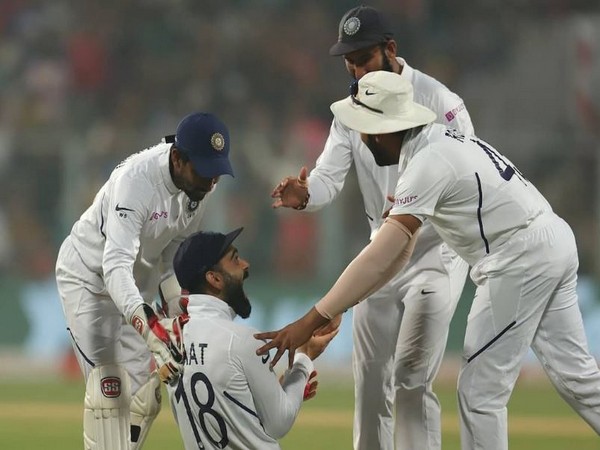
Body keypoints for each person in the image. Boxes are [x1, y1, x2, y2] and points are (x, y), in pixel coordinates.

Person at [257, 71, 600, 450]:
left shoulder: (426, 163)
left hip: (518, 260)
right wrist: (342, 304)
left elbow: (385, 253)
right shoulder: (434, 144)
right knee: (578, 377)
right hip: (551, 241)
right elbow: (399, 251)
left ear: (384, 128)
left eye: (365, 128)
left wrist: (312, 318)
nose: (362, 137)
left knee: (479, 391)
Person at [270, 5, 473, 450]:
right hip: (380, 254)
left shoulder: (441, 104)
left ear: (391, 49)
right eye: (350, 62)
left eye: (364, 59)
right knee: (370, 379)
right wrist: (305, 195)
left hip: (435, 256)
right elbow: (326, 177)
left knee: (411, 379)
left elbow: (466, 179)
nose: (358, 71)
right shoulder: (350, 109)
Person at [55, 111, 235, 450]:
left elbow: (173, 256)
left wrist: (175, 313)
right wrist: (150, 326)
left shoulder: (200, 183)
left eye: (216, 172)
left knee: (143, 400)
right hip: (90, 282)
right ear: (178, 158)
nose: (211, 182)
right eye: (205, 171)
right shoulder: (136, 182)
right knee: (110, 392)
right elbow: (115, 265)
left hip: (138, 287)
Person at [170, 227, 336, 450]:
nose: (245, 264)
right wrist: (303, 359)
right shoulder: (243, 340)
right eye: (235, 259)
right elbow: (279, 423)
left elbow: (220, 412)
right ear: (215, 278)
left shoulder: (173, 342)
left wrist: (267, 392)